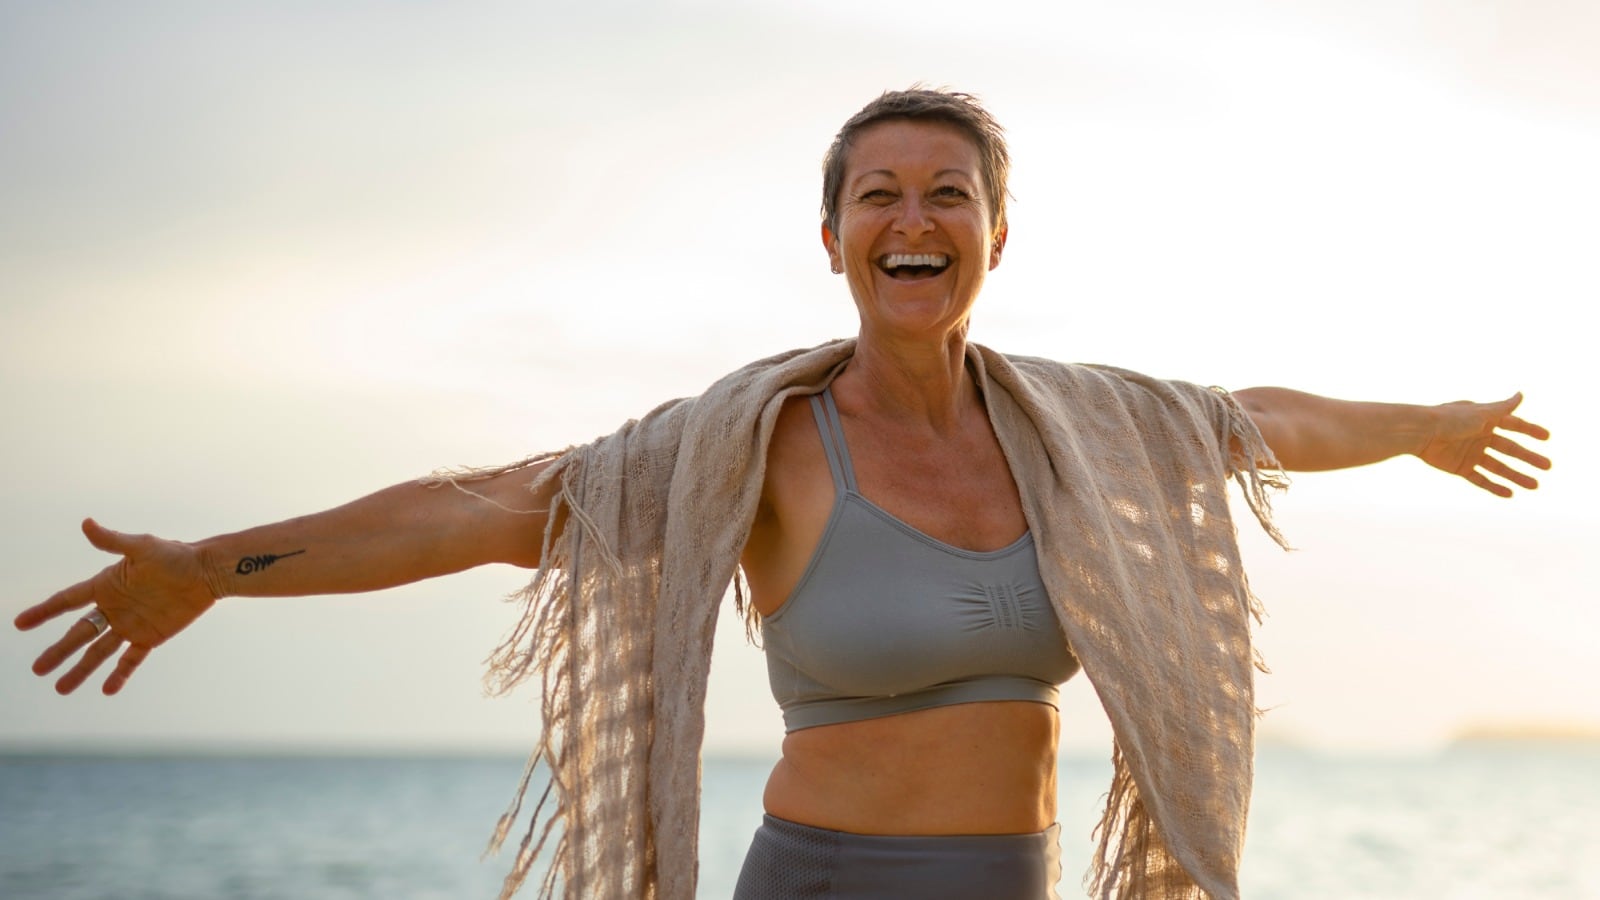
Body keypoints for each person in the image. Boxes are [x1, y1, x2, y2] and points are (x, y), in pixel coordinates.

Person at [14, 89, 1550, 900]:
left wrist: (1421, 423)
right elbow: (472, 508)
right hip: (811, 882)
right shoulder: (748, 450)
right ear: (833, 240)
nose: (913, 213)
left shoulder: (1087, 434)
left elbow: (1252, 421)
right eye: (877, 191)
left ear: (996, 241)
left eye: (950, 191)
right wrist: (216, 565)